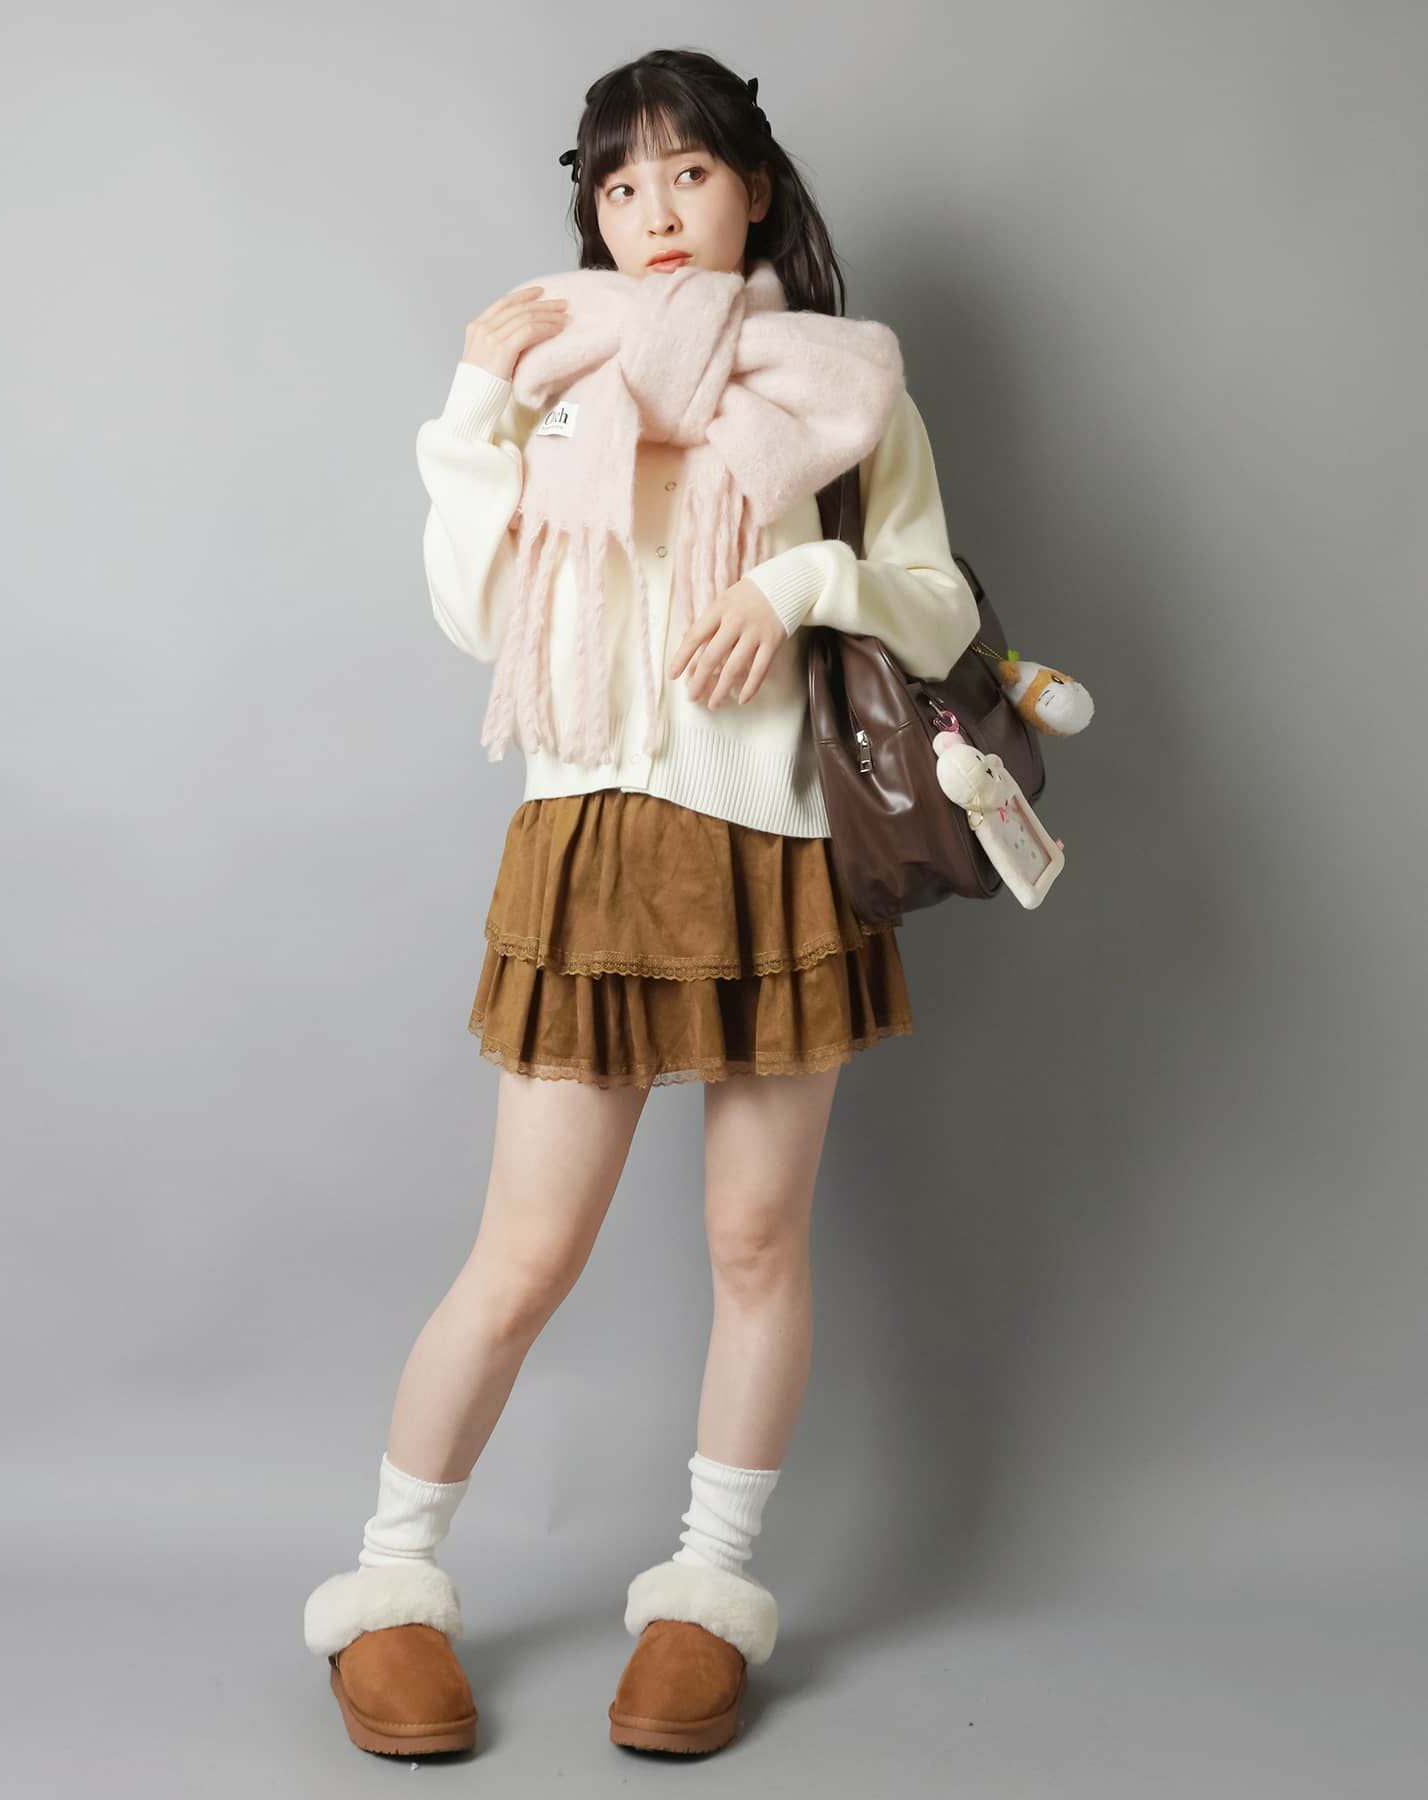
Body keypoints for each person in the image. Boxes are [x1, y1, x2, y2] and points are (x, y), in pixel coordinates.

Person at [302, 46, 980, 1760]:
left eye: (687, 171)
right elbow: (476, 611)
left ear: (755, 189)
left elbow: (936, 605)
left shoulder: (844, 388)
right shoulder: (557, 379)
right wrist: (472, 407)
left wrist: (801, 580)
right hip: (596, 837)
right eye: (620, 183)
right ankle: (390, 1586)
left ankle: (705, 1594)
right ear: (593, 217)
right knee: (526, 1255)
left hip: (777, 850)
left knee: (756, 1243)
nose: (654, 210)